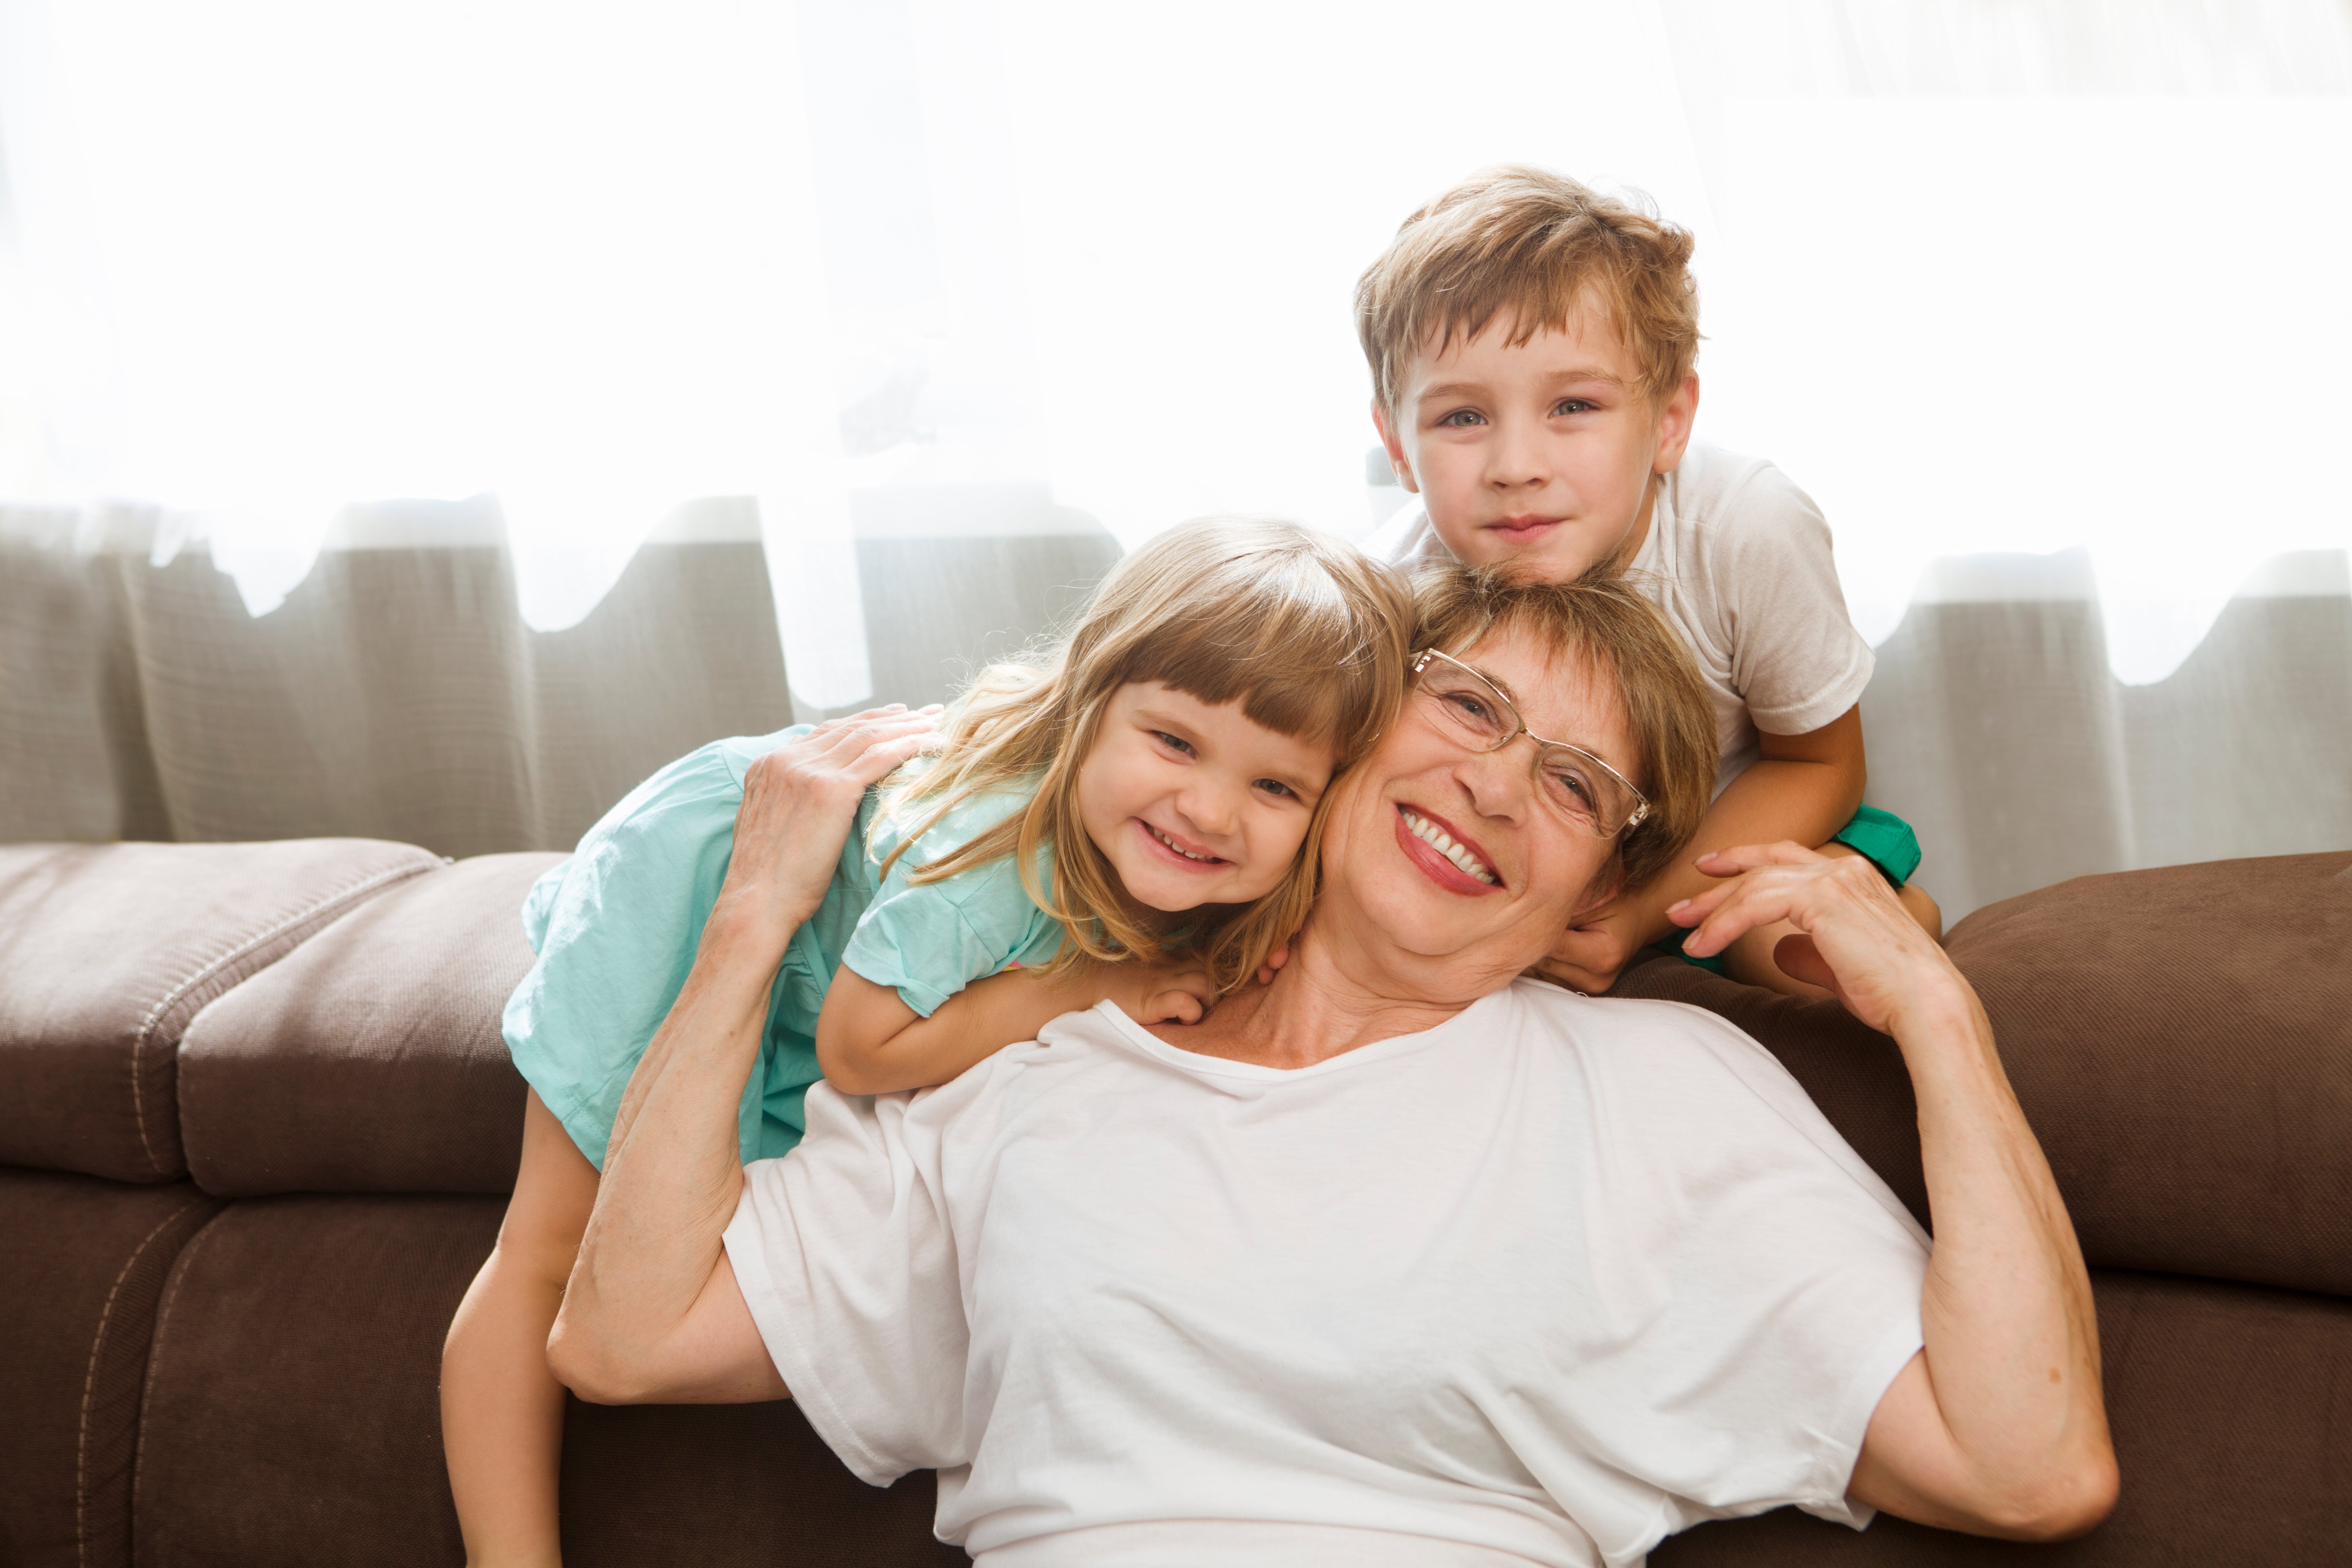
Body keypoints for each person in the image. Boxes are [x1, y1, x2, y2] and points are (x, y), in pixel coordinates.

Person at [545, 566, 2118, 1568]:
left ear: (1596, 891)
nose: (1496, 787)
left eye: (1573, 786)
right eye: (1471, 708)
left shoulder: (1659, 1097)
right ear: (1357, 731)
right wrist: (752, 921)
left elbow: (2029, 1464)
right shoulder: (1041, 1042)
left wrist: (1936, 1015)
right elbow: (623, 1339)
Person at [440, 518, 1414, 1567]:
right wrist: (1087, 985)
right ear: (1091, 704)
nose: (1210, 809)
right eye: (1175, 742)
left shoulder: (1192, 862)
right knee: (549, 1246)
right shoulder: (993, 862)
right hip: (705, 875)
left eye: (1275, 788)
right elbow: (862, 1047)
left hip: (842, 965)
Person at [1356, 163, 1942, 998]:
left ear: (1669, 422)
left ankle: (1887, 913)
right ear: (1399, 446)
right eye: (1462, 417)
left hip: (1738, 825)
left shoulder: (1747, 528)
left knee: (1782, 948)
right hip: (1549, 854)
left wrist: (1639, 916)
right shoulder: (1390, 588)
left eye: (1573, 407)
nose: (1516, 467)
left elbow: (1819, 762)